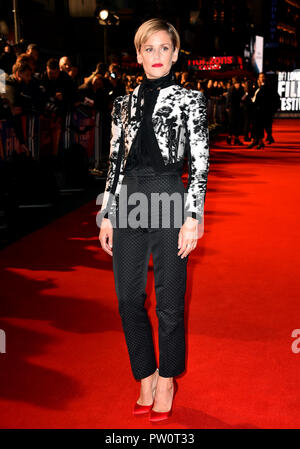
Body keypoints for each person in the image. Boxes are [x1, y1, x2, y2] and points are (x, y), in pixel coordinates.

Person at [98, 18, 210, 422]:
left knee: (169, 300)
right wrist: (106, 213)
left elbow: (199, 164)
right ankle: (143, 373)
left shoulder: (191, 100)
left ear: (176, 54)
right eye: (149, 48)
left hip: (168, 194)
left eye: (164, 48)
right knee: (128, 298)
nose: (156, 56)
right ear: (139, 54)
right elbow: (113, 161)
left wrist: (192, 217)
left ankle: (166, 378)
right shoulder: (121, 104)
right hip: (128, 197)